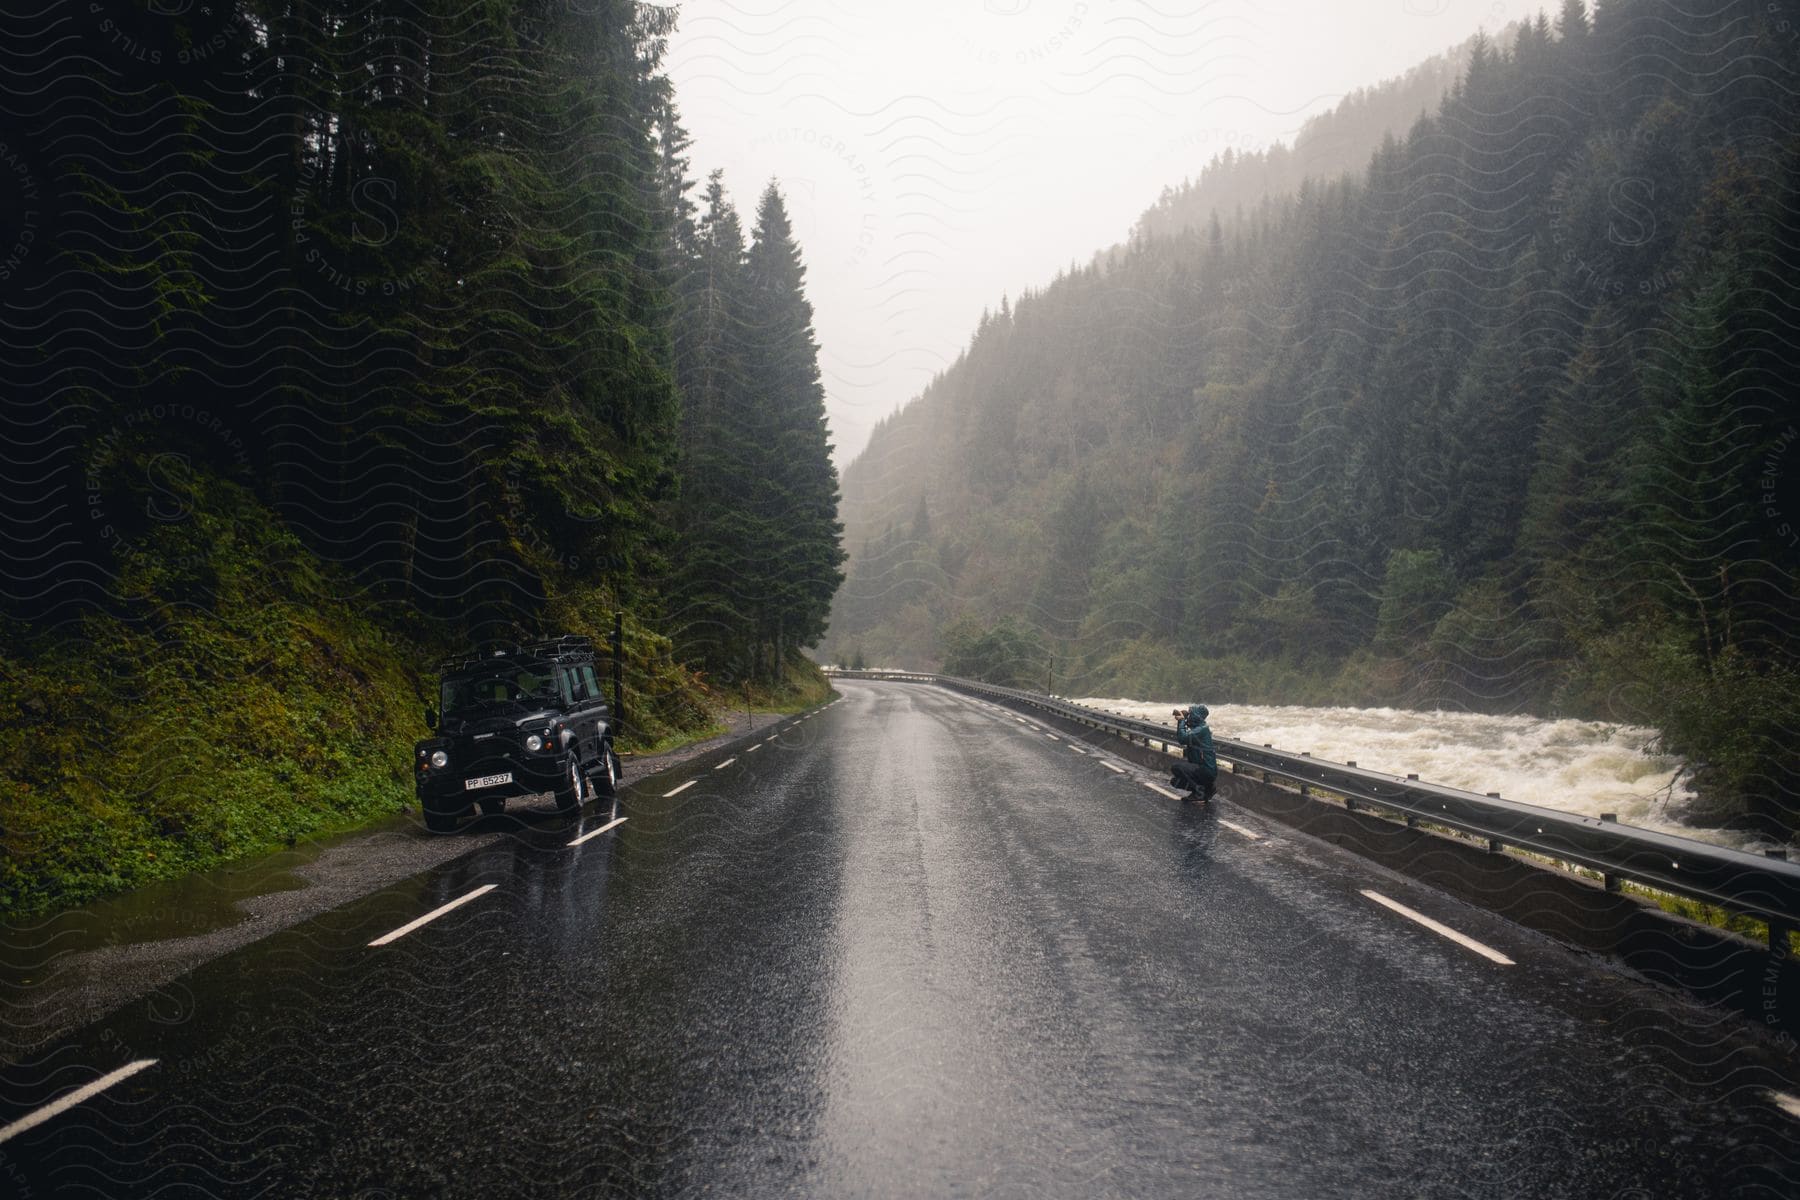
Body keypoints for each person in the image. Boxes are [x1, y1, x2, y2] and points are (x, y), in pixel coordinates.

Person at [1170, 703, 1218, 801]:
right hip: (1201, 770)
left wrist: (1182, 721)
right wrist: (1184, 718)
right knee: (1175, 781)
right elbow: (1187, 732)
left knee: (1177, 767)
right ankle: (1208, 789)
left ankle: (1199, 792)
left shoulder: (1202, 730)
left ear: (1197, 716)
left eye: (1191, 714)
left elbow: (1182, 738)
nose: (1189, 715)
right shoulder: (1198, 728)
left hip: (1206, 770)